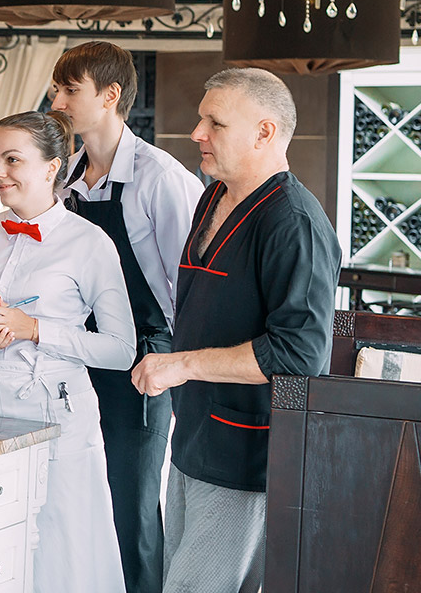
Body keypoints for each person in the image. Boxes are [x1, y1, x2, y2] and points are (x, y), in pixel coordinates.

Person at [132, 68, 338, 593]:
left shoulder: (293, 223)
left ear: (264, 133)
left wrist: (182, 364)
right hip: (194, 440)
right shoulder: (212, 196)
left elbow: (299, 354)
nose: (196, 132)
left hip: (247, 456)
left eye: (215, 122)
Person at [0, 111, 135, 593]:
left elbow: (121, 349)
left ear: (51, 167)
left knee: (61, 546)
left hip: (57, 416)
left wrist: (35, 329)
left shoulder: (90, 243)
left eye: (13, 160)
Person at [49, 41, 204, 593]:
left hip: (142, 358)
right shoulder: (65, 176)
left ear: (111, 95)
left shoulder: (160, 177)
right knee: (76, 495)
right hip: (72, 353)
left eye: (70, 89)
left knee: (131, 505)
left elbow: (191, 287)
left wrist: (174, 363)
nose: (57, 99)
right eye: (58, 87)